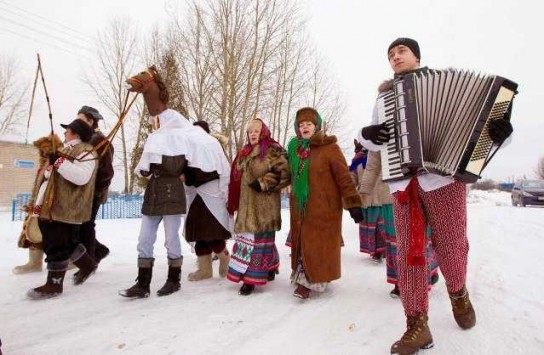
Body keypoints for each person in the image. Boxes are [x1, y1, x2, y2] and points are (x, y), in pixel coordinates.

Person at [358, 37, 513, 354]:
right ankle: (417, 325)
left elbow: (483, 126)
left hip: (445, 180)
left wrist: (501, 133)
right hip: (404, 185)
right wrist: (368, 135)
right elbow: (372, 138)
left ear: (416, 56)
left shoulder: (447, 82)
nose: (395, 56)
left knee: (452, 246)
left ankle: (458, 293)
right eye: (390, 54)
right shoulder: (385, 97)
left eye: (401, 51)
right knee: (408, 254)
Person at [120, 66, 230, 298]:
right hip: (154, 193)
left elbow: (181, 166)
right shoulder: (157, 137)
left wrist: (172, 169)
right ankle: (143, 283)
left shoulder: (183, 140)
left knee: (172, 239)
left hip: (173, 193)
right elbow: (145, 169)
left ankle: (174, 279)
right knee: (144, 239)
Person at [288, 107, 363, 299]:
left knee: (317, 244)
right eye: (301, 125)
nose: (305, 128)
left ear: (317, 126)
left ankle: (311, 281)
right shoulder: (296, 149)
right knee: (303, 241)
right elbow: (287, 175)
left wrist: (353, 204)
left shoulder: (330, 148)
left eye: (309, 124)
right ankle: (307, 275)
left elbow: (344, 178)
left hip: (324, 208)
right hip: (300, 207)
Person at [27, 119, 98, 300]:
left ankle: (54, 284)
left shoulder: (86, 151)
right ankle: (88, 264)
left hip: (67, 208)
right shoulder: (64, 151)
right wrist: (51, 166)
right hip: (52, 207)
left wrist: (58, 162)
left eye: (67, 130)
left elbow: (81, 177)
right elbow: (52, 177)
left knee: (56, 245)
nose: (64, 133)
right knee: (67, 243)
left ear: (75, 132)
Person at [357, 150, 439, 298]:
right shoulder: (379, 132)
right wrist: (362, 195)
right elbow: (372, 167)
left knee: (421, 238)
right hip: (390, 195)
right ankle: (399, 282)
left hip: (423, 191)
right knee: (395, 242)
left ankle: (429, 273)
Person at [226, 118, 290, 296]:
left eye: (256, 131)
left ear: (263, 132)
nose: (253, 134)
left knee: (259, 241)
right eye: (250, 131)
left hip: (264, 206)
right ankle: (270, 266)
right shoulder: (244, 152)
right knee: (249, 241)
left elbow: (285, 172)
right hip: (246, 205)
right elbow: (235, 178)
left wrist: (264, 183)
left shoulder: (273, 149)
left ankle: (251, 279)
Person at [184, 120, 232, 281]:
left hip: (212, 193)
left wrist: (225, 194)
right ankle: (205, 270)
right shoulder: (189, 149)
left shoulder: (212, 147)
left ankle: (224, 258)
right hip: (197, 194)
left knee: (211, 232)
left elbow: (221, 171)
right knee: (198, 233)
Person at [13, 134, 62, 274]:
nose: (41, 153)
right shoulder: (43, 164)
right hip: (38, 204)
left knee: (52, 235)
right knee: (31, 232)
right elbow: (37, 188)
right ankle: (34, 262)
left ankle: (69, 261)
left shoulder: (56, 163)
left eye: (44, 150)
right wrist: (32, 204)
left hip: (49, 206)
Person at [76, 106, 114, 268]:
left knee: (86, 225)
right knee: (81, 225)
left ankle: (89, 260)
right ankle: (97, 250)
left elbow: (106, 172)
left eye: (81, 119)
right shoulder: (85, 139)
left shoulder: (98, 141)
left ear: (91, 121)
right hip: (83, 192)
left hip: (93, 193)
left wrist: (96, 192)